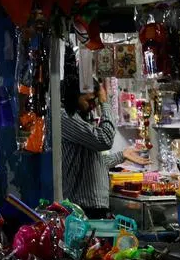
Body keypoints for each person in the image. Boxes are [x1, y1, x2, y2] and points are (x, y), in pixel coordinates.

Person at [61, 78, 148, 218]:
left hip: (94, 205)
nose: (93, 106)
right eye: (89, 100)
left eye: (95, 101)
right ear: (75, 95)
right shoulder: (65, 116)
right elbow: (105, 140)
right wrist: (105, 104)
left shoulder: (81, 116)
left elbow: (91, 162)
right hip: (81, 207)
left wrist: (121, 155)